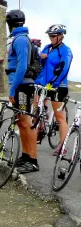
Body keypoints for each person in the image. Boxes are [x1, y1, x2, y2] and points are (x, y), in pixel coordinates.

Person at [4, 9, 39, 173]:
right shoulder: (20, 39)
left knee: (26, 123)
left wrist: (12, 89)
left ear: (9, 24)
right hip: (21, 86)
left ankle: (32, 160)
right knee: (21, 122)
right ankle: (25, 156)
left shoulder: (19, 40)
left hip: (22, 86)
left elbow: (22, 66)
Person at [38, 24, 73, 155]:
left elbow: (64, 69)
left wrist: (55, 83)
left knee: (60, 118)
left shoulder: (65, 51)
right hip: (45, 84)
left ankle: (62, 147)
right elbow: (41, 67)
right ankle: (42, 124)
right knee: (38, 106)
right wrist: (41, 59)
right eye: (49, 36)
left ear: (61, 36)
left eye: (53, 36)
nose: (50, 38)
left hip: (59, 86)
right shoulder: (47, 48)